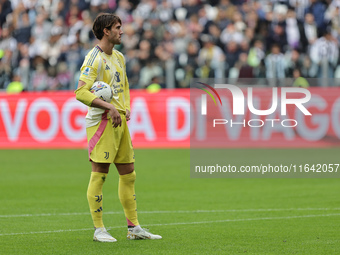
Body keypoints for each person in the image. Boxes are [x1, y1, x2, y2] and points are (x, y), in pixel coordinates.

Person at [75, 13, 162, 242]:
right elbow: (81, 92)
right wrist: (109, 107)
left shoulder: (120, 57)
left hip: (119, 121)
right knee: (100, 175)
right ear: (106, 31)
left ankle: (133, 228)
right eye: (118, 27)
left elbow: (123, 86)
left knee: (129, 174)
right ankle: (99, 230)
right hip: (101, 123)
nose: (121, 31)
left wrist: (125, 107)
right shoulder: (93, 58)